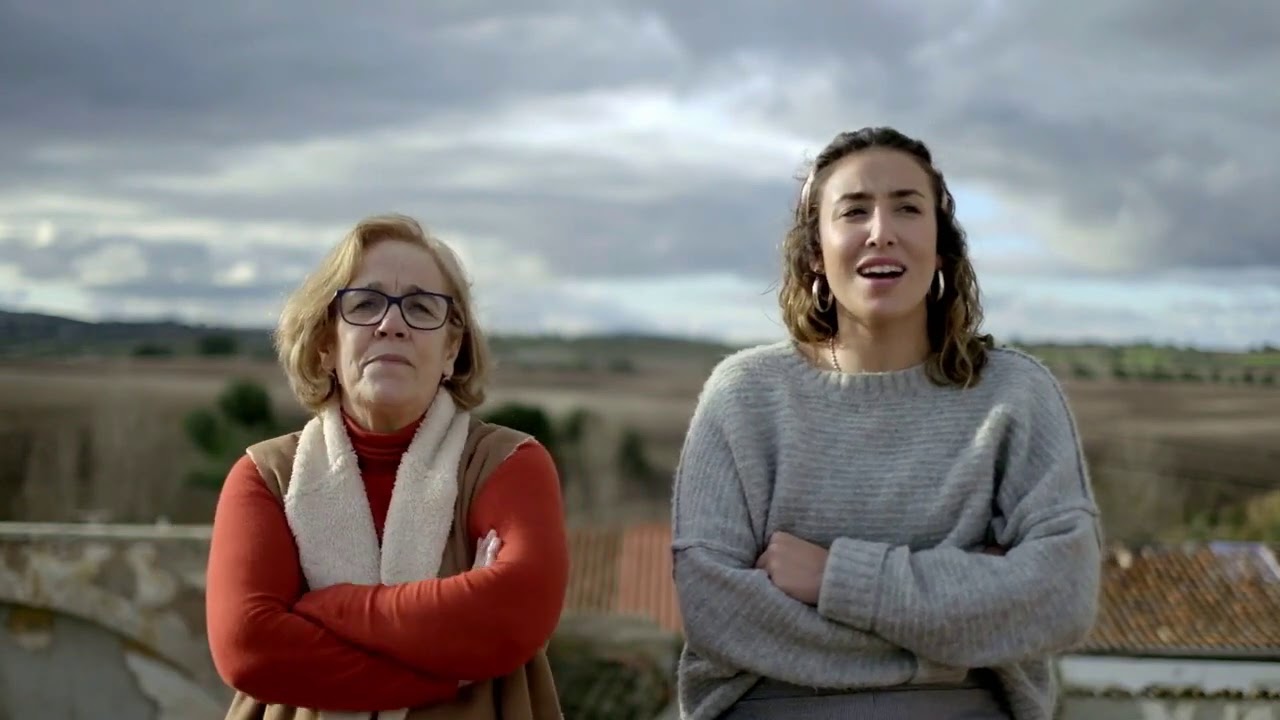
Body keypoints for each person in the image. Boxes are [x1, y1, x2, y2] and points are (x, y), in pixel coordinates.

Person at [670, 127, 1102, 720]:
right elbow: (717, 611)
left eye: (907, 207)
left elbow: (1060, 595)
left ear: (942, 246)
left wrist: (834, 579)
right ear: (815, 252)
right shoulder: (745, 398)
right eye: (853, 211)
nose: (882, 231)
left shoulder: (1014, 395)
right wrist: (960, 625)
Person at [205, 214, 569, 720]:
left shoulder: (508, 464)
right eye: (365, 303)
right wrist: (452, 668)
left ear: (451, 348)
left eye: (421, 307)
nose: (391, 323)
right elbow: (249, 648)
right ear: (326, 343)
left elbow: (512, 615)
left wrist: (330, 608)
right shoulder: (267, 476)